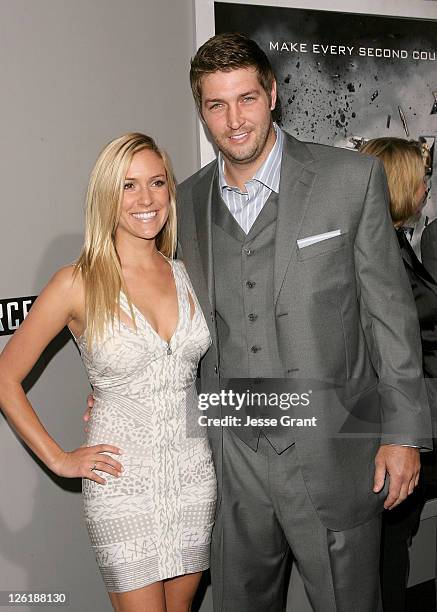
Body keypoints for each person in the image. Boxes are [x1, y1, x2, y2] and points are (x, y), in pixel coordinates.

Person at [0, 132, 216, 612]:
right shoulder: (76, 282)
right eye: (128, 185)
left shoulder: (188, 274)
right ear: (106, 196)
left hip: (192, 476)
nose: (145, 199)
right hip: (120, 482)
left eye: (156, 183)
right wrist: (59, 459)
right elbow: (5, 376)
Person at [360, 137, 437, 612]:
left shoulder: (398, 245)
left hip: (416, 421)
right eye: (422, 176)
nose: (427, 185)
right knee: (387, 555)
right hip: (402, 429)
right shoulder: (381, 253)